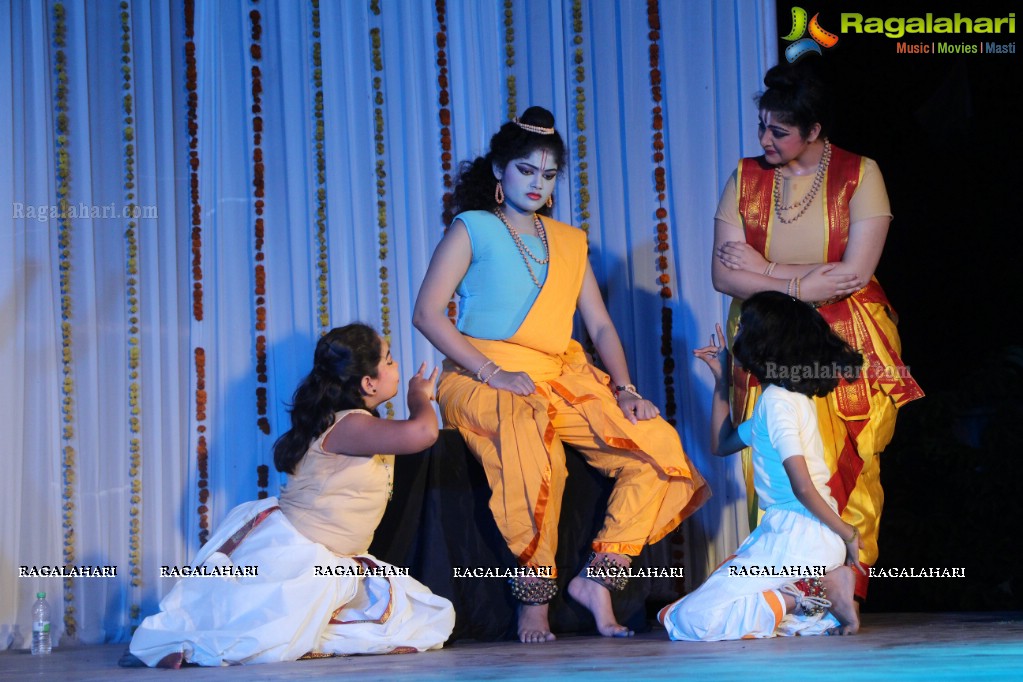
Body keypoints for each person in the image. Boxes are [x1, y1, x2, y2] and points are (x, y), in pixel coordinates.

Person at [412, 106, 709, 644]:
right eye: (526, 170)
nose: (537, 183)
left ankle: (600, 578)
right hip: (482, 375)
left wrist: (626, 389)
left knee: (656, 448)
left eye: (548, 175)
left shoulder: (570, 242)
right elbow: (427, 313)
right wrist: (493, 372)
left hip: (562, 374)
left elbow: (599, 323)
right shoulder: (472, 227)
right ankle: (534, 600)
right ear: (500, 170)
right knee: (530, 442)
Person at [712, 63, 923, 601]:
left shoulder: (860, 173)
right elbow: (721, 275)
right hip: (769, 336)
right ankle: (786, 592)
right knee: (775, 462)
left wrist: (764, 271)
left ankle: (841, 590)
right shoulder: (746, 176)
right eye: (761, 126)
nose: (764, 140)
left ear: (814, 130)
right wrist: (802, 286)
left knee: (846, 460)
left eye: (778, 131)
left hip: (845, 339)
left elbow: (851, 276)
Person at [129, 324, 455, 667]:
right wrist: (419, 395)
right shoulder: (351, 425)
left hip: (339, 562)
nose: (397, 367)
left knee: (426, 619)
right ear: (368, 382)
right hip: (301, 556)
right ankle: (189, 642)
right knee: (264, 636)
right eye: (389, 361)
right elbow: (423, 433)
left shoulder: (356, 423)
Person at [660, 292, 865, 640]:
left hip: (799, 537)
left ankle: (814, 590)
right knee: (694, 611)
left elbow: (802, 487)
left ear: (763, 340)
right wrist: (721, 379)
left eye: (742, 326)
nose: (736, 333)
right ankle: (817, 597)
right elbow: (722, 443)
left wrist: (849, 533)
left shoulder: (776, 403)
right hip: (801, 537)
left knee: (690, 619)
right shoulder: (783, 399)